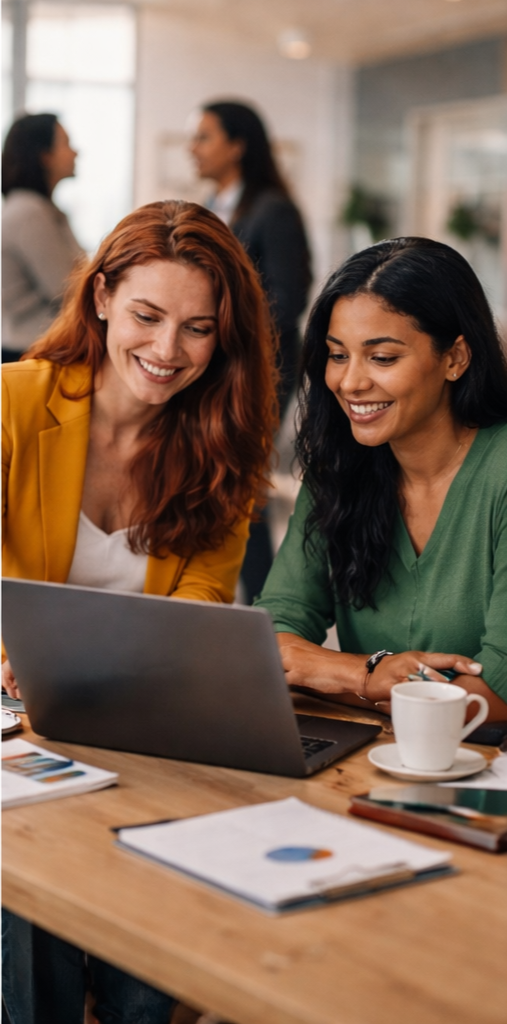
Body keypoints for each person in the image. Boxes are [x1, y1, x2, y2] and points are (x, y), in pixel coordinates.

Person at [2, 199, 278, 1023]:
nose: (167, 351)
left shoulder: (226, 440)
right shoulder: (14, 404)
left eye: (197, 329)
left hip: (142, 729)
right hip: (16, 729)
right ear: (100, 299)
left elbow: (199, 604)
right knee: (30, 875)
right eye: (147, 316)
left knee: (179, 876)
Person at [257, 237, 507, 720]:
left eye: (383, 358)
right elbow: (273, 635)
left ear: (455, 357)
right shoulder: (339, 467)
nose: (350, 383)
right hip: (368, 758)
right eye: (337, 355)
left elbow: (496, 693)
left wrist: (323, 672)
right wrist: (366, 676)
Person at [190, 99, 312, 603]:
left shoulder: (272, 209)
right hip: (212, 364)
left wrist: (222, 332)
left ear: (237, 146)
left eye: (204, 137)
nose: (193, 148)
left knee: (243, 483)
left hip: (259, 368)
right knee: (223, 480)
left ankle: (266, 608)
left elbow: (288, 298)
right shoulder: (215, 205)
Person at [2, 112, 83, 362]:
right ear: (44, 156)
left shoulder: (42, 209)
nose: (75, 153)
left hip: (34, 345)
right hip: (29, 350)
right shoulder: (30, 213)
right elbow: (68, 289)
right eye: (66, 144)